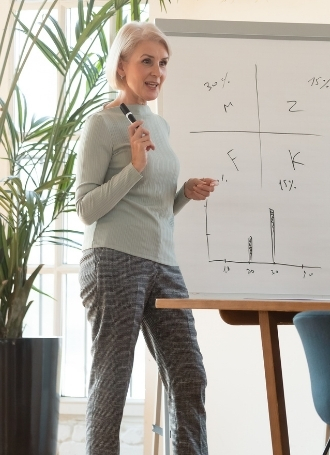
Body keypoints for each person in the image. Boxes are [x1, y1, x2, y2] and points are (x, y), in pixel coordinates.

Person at [75, 22, 217, 455]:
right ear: (122, 65)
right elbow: (86, 209)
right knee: (113, 380)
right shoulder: (102, 125)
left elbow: (153, 210)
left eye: (163, 63)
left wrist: (184, 195)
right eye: (147, 61)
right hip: (113, 260)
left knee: (189, 375)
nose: (158, 71)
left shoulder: (162, 126)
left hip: (163, 263)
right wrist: (133, 167)